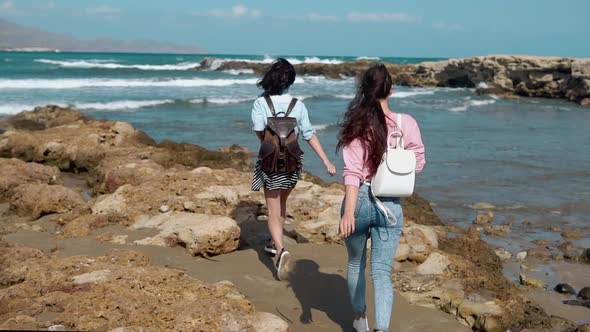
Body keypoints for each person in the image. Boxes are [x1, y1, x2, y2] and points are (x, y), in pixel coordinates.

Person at [337, 64, 426, 332]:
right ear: (391, 90)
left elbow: (352, 173)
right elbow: (418, 164)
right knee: (382, 273)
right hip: (390, 204)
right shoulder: (406, 123)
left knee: (355, 263)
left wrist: (348, 213)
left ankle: (361, 319)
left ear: (364, 90)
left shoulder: (357, 124)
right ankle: (381, 329)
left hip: (360, 199)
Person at [251, 58, 336, 280]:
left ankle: (280, 251)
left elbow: (260, 132)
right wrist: (326, 160)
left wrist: (270, 144)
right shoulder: (298, 105)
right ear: (290, 81)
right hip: (292, 162)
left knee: (272, 209)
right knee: (282, 203)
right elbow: (308, 134)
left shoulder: (261, 103)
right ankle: (273, 241)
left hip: (270, 162)